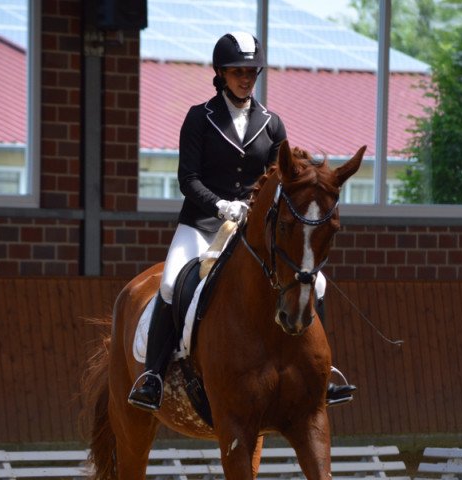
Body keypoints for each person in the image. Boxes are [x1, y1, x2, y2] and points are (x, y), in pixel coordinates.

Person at [128, 31, 355, 412]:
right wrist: (221, 206)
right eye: (237, 71)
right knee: (169, 284)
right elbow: (188, 179)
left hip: (253, 230)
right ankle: (152, 375)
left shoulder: (272, 124)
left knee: (315, 281)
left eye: (251, 71)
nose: (245, 78)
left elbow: (283, 178)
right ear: (221, 73)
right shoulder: (199, 118)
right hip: (202, 223)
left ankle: (323, 369)